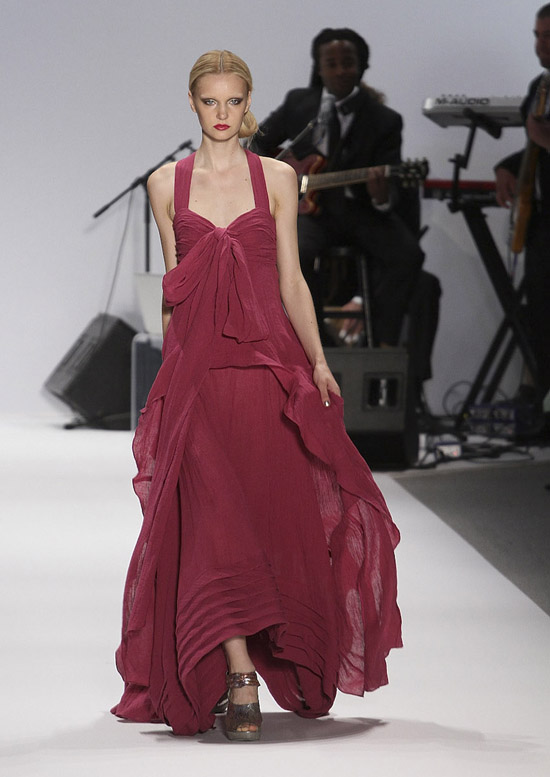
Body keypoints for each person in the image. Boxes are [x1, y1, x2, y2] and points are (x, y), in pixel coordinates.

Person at [111, 49, 402, 741]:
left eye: (233, 101)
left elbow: (292, 279)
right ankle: (238, 671)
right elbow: (175, 291)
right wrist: (169, 378)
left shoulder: (277, 176)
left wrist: (319, 361)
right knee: (212, 520)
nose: (221, 113)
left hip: (268, 367)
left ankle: (248, 658)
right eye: (209, 101)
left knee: (266, 517)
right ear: (192, 103)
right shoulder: (164, 184)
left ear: (249, 105)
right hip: (199, 374)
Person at [252, 27, 426, 354]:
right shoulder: (299, 103)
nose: (340, 71)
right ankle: (314, 344)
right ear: (319, 69)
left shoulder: (385, 120)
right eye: (331, 64)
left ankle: (384, 347)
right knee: (293, 252)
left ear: (362, 66)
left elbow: (390, 189)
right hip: (311, 214)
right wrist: (271, 179)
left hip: (360, 212)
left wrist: (380, 195)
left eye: (348, 63)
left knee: (408, 254)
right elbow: (258, 142)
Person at [495, 4, 550, 405]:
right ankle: (535, 397)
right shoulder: (539, 86)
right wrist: (505, 166)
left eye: (549, 37)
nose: (541, 45)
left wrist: (543, 138)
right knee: (538, 307)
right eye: (537, 36)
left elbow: (542, 138)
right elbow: (535, 145)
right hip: (541, 218)